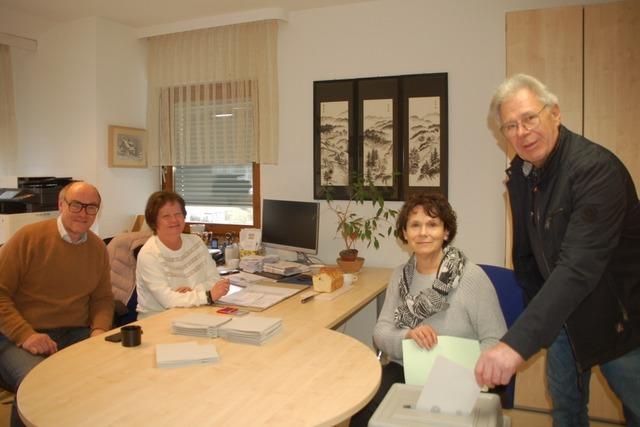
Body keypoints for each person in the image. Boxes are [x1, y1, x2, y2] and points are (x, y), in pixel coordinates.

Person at [475, 74, 640, 426]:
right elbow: (527, 254)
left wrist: (515, 343)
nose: (522, 132)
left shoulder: (595, 169)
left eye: (530, 118)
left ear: (555, 113)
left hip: (621, 320)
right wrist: (541, 311)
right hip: (566, 315)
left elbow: (577, 266)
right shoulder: (525, 175)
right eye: (510, 126)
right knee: (565, 409)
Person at [350, 192, 507, 426]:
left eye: (432, 224)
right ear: (405, 233)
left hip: (461, 374)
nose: (423, 233)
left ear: (446, 232)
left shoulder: (472, 277)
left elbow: (496, 339)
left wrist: (465, 372)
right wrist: (407, 336)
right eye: (415, 225)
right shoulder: (400, 276)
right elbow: (381, 332)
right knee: (363, 416)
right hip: (406, 370)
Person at [0, 181, 114, 427]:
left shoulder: (97, 248)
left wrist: (99, 330)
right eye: (76, 205)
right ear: (61, 205)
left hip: (74, 332)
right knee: (38, 384)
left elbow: (102, 299)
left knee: (110, 372)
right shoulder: (28, 238)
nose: (83, 213)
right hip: (18, 335)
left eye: (91, 207)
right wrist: (26, 334)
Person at [136, 191, 230, 317]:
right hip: (157, 319)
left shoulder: (196, 242)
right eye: (166, 216)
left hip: (196, 312)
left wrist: (194, 292)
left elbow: (215, 280)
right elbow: (167, 300)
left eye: (178, 214)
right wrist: (207, 295)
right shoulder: (149, 254)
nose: (174, 220)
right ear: (154, 221)